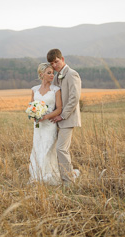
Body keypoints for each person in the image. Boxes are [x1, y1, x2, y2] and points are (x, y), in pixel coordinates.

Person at [47, 48, 81, 184]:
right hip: (57, 119)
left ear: (62, 59)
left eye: (56, 62)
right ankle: (64, 176)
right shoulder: (56, 77)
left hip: (68, 118)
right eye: (52, 64)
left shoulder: (72, 74)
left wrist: (63, 115)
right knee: (56, 148)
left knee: (61, 148)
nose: (54, 65)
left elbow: (74, 97)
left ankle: (69, 182)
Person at [28, 63, 63, 185]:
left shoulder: (56, 90)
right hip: (38, 126)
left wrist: (46, 116)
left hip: (49, 125)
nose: (52, 75)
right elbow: (31, 105)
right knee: (37, 148)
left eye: (53, 73)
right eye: (49, 73)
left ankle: (48, 176)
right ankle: (37, 175)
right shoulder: (34, 89)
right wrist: (34, 115)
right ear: (41, 74)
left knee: (48, 149)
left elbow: (59, 109)